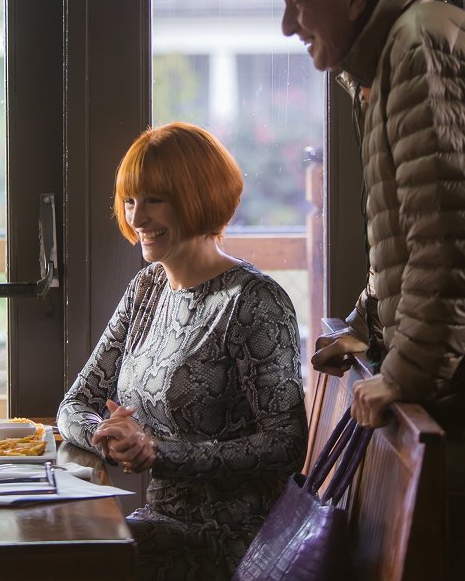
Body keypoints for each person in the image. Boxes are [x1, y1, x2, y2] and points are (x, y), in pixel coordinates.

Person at [245, 0, 465, 581]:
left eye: (297, 3)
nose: (287, 26)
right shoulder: (393, 56)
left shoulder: (423, 51)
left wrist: (403, 375)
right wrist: (368, 331)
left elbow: (453, 245)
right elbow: (416, 239)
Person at [57, 122, 308, 581]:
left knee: (67, 562)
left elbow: (285, 444)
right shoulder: (147, 288)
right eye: (131, 201)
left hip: (231, 542)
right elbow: (74, 404)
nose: (136, 219)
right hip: (162, 525)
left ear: (199, 197)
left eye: (154, 200)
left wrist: (159, 452)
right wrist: (111, 438)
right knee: (49, 546)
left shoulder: (254, 301)